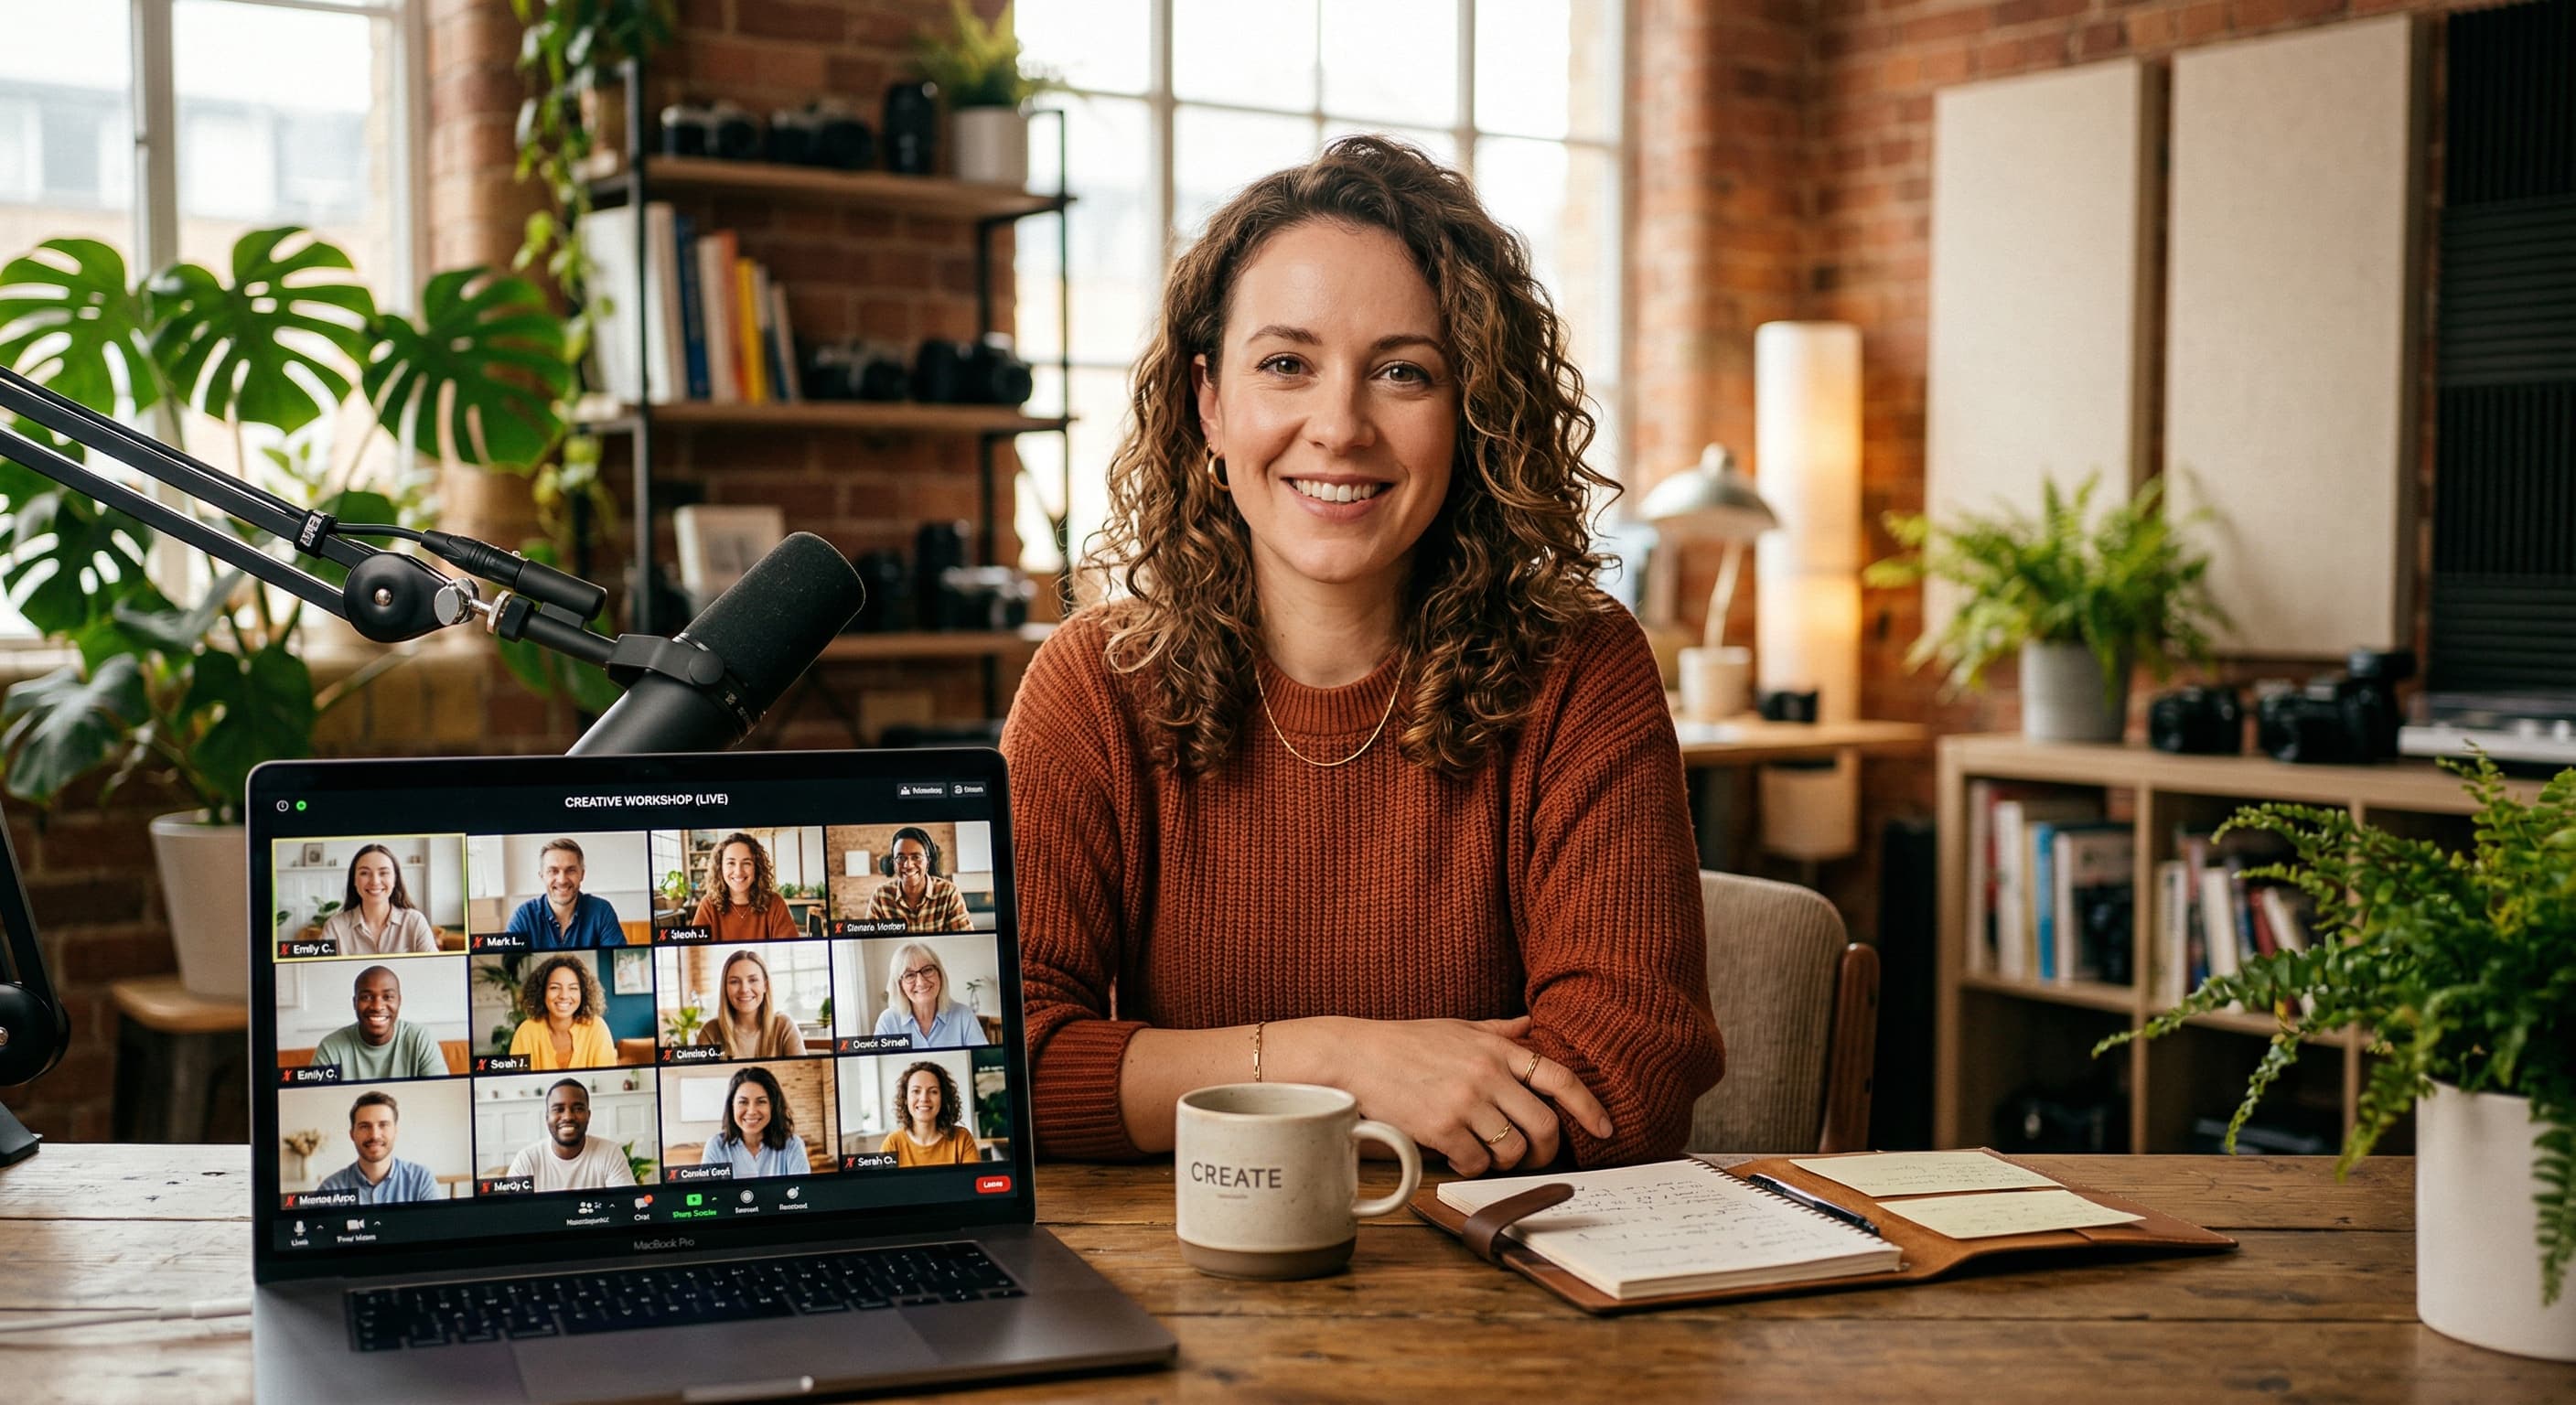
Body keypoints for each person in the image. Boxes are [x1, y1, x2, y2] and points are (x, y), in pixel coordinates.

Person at [1001, 137, 1723, 1177]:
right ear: (1209, 401)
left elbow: (1626, 1082)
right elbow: (1001, 1073)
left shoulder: (1578, 669)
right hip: (1192, 1273)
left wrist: (1175, 1080)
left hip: (1502, 1293)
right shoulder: (1094, 685)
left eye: (1400, 372)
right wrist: (1336, 1061)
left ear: (1468, 411)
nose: (1337, 427)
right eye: (1285, 364)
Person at [309, 965, 447, 1079]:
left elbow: (440, 1094)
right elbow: (315, 1099)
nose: (377, 1006)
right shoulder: (331, 1047)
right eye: (367, 997)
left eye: (388, 997)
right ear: (354, 1003)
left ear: (399, 1001)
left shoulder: (419, 1038)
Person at [503, 1079, 638, 1192]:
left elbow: (626, 1208)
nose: (568, 1117)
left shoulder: (610, 1153)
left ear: (588, 1116)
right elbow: (511, 1215)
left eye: (578, 1109)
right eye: (558, 1109)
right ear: (547, 1118)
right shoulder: (527, 1160)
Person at [314, 1090, 438, 1203]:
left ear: (395, 1131)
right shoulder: (330, 1189)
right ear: (352, 1134)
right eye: (364, 1126)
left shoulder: (421, 1180)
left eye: (383, 1125)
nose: (374, 1135)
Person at [318, 844, 441, 955]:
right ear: (354, 880)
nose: (375, 881)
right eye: (364, 873)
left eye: (383, 873)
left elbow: (433, 970)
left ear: (395, 880)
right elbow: (319, 973)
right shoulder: (334, 927)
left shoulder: (415, 922)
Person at [505, 838, 626, 949]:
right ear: (542, 876)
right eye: (553, 871)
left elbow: (616, 957)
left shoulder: (601, 911)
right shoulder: (524, 916)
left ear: (582, 875)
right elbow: (510, 967)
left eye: (571, 870)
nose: (562, 880)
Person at [506, 955, 618, 1070]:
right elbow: (519, 1083)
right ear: (542, 992)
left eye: (573, 988)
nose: (564, 996)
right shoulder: (526, 1031)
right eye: (555, 987)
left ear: (583, 993)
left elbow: (607, 1080)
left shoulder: (597, 1028)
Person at [697, 1066, 809, 1178]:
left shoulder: (793, 1145)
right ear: (732, 1106)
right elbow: (710, 1194)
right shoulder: (716, 1147)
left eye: (761, 1102)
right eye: (743, 1102)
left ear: (772, 1106)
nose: (751, 1111)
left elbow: (803, 1192)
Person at [869, 942, 986, 1048]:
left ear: (940, 975)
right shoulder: (888, 1021)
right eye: (909, 975)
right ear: (899, 985)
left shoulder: (964, 1015)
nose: (921, 982)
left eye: (927, 970)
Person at [692, 949, 804, 1058]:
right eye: (734, 982)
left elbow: (803, 1073)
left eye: (753, 980)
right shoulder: (710, 1032)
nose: (744, 989)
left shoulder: (784, 1027)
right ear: (725, 988)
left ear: (765, 985)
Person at [689, 832, 799, 941]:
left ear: (757, 867)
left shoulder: (775, 903)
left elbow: (790, 951)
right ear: (720, 868)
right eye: (731, 863)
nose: (738, 872)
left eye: (746, 863)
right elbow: (695, 953)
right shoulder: (708, 905)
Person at [864, 827, 972, 932]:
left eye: (916, 857)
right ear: (893, 862)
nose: (908, 865)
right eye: (901, 858)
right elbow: (870, 939)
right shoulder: (881, 896)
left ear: (928, 862)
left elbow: (966, 940)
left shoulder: (949, 893)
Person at [875, 1061, 979, 1167]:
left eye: (933, 1091)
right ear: (905, 1098)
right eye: (916, 1091)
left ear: (943, 1098)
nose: (924, 1098)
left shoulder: (962, 1139)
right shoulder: (892, 1143)